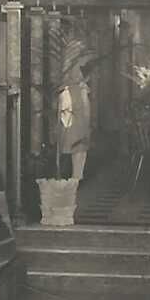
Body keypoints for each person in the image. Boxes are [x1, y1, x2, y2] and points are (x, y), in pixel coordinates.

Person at [55, 38, 97, 191]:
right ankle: (71, 178)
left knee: (80, 142)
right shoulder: (69, 69)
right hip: (72, 101)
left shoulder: (81, 67)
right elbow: (68, 82)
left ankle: (77, 177)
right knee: (72, 139)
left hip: (80, 101)